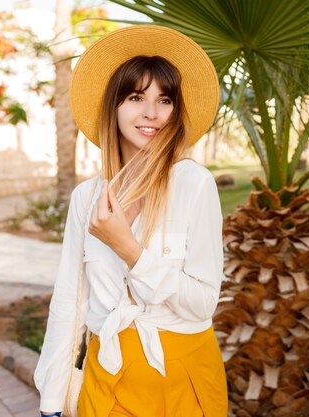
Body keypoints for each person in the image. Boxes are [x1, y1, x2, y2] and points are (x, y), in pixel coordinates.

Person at [34, 25, 227, 417]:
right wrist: (51, 400)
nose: (151, 113)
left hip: (182, 378)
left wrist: (130, 251)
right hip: (107, 375)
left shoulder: (194, 184)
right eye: (136, 97)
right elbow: (69, 303)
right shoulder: (87, 198)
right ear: (114, 106)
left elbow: (203, 303)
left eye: (165, 100)